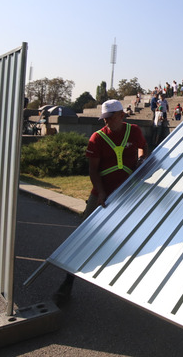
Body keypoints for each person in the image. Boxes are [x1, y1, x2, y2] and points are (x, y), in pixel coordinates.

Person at [55, 99, 148, 305]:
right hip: (102, 194)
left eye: (110, 118)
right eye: (104, 119)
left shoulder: (133, 131)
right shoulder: (97, 138)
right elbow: (93, 170)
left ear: (121, 116)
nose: (107, 122)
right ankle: (67, 282)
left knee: (132, 235)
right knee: (83, 235)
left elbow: (143, 148)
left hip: (128, 194)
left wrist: (141, 159)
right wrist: (101, 193)